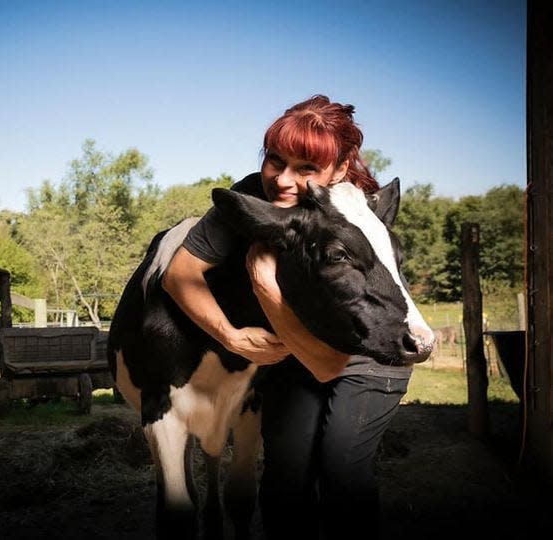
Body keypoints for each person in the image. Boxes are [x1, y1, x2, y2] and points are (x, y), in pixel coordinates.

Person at [161, 94, 411, 539]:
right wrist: (230, 335)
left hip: (369, 356)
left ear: (339, 168)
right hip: (296, 359)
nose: (282, 180)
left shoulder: (355, 213)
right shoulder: (251, 194)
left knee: (341, 471)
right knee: (284, 481)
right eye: (275, 160)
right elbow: (179, 274)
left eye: (306, 169)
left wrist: (265, 287)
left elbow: (329, 362)